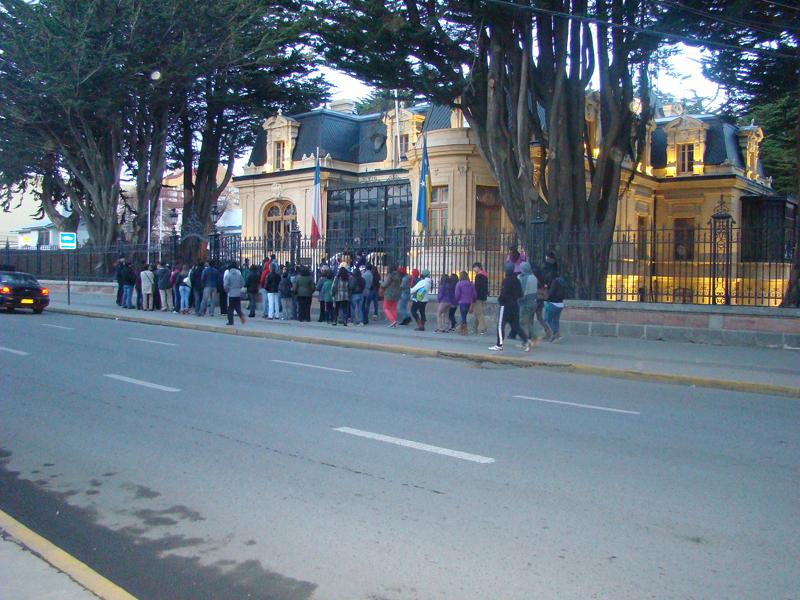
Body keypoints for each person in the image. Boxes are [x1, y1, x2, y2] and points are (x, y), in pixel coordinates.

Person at [490, 262, 532, 352]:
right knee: (516, 325)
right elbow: (520, 294)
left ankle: (499, 345)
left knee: (500, 325)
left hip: (505, 305)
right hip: (515, 305)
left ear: (506, 270)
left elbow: (503, 294)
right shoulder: (517, 280)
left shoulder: (506, 280)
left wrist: (500, 300)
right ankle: (526, 341)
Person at [535, 252, 559, 339]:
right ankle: (548, 331)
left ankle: (551, 332)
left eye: (548, 258)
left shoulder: (544, 271)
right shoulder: (549, 269)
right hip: (543, 295)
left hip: (539, 296)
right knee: (540, 316)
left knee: (538, 316)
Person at [518, 261, 539, 341]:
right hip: (534, 302)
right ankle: (534, 337)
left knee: (523, 322)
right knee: (530, 321)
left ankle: (525, 340)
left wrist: (518, 300)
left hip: (526, 303)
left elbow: (522, 292)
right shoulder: (533, 277)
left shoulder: (525, 278)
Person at [544, 274, 566, 343]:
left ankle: (555, 333)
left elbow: (551, 293)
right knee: (556, 320)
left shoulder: (554, 282)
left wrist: (547, 297)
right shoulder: (562, 282)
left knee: (548, 319)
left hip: (553, 304)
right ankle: (556, 336)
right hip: (561, 304)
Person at [224, 261, 246, 326]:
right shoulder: (239, 275)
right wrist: (238, 287)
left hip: (231, 293)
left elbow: (225, 285)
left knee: (230, 308)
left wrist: (227, 289)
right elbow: (243, 283)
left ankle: (230, 321)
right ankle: (241, 315)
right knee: (237, 307)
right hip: (238, 293)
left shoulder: (228, 275)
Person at [454, 270, 476, 335]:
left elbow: (457, 294)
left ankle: (464, 330)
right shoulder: (471, 284)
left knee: (463, 316)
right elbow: (474, 294)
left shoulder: (459, 284)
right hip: (469, 302)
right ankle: (460, 329)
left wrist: (457, 300)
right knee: (464, 316)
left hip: (462, 302)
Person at [471, 262, 489, 334]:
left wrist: (473, 297)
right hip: (483, 297)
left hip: (478, 297)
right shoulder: (485, 275)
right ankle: (474, 328)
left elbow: (477, 288)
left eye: (474, 267)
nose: (474, 269)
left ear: (478, 267)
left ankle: (483, 329)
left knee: (479, 313)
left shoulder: (478, 276)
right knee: (477, 313)